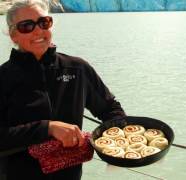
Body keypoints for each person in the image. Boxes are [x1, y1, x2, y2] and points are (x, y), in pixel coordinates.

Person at [0, 0, 126, 179]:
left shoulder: (77, 69)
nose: (38, 30)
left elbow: (110, 109)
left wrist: (115, 142)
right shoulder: (4, 78)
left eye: (44, 22)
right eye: (26, 26)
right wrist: (48, 128)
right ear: (13, 35)